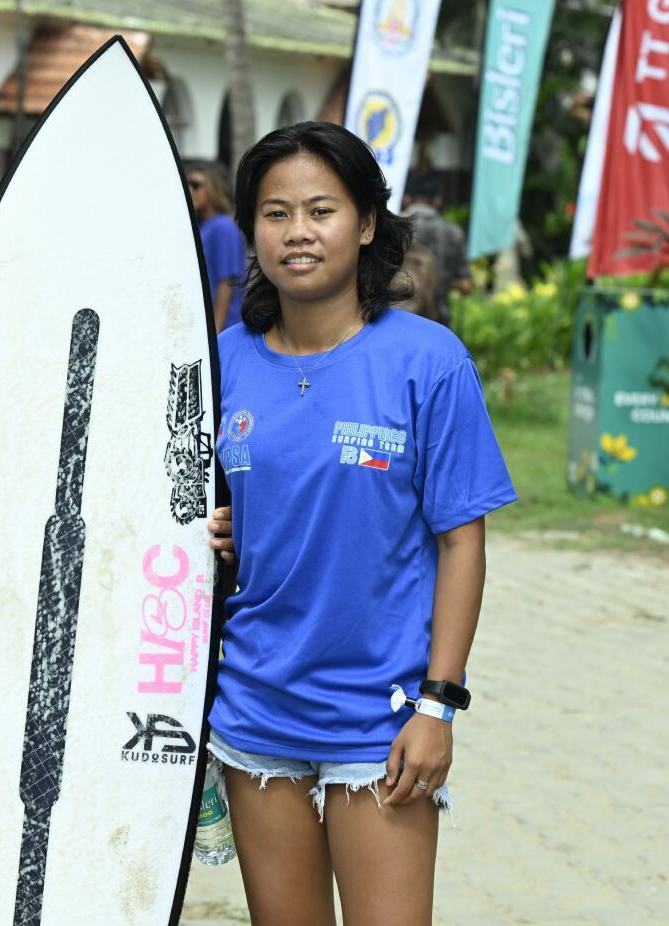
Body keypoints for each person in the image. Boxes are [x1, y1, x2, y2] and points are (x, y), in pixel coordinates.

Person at [207, 122, 516, 925]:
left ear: (368, 222)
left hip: (381, 726)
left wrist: (438, 705)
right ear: (250, 232)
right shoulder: (219, 364)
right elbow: (182, 518)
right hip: (255, 713)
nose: (298, 232)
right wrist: (206, 534)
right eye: (275, 214)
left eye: (322, 209)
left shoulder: (428, 360)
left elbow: (461, 540)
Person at [401, 173, 472, 327]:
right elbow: (466, 285)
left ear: (407, 198)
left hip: (398, 317)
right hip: (439, 319)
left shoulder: (393, 228)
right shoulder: (453, 232)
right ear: (437, 200)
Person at [185, 160, 246, 331]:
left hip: (223, 326)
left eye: (196, 185)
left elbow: (227, 281)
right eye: (187, 184)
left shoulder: (223, 226)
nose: (190, 190)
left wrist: (216, 332)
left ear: (213, 187)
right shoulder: (205, 226)